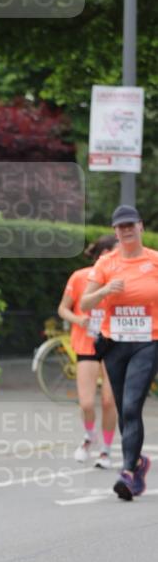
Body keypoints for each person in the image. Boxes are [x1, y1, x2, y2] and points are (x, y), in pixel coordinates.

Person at [81, 205, 158, 501]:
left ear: (140, 226)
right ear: (115, 231)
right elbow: (86, 304)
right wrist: (104, 292)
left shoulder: (153, 260)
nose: (126, 230)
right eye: (120, 226)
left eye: (130, 225)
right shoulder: (106, 263)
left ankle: (127, 472)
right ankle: (138, 463)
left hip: (148, 342)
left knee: (130, 405)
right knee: (127, 411)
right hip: (115, 344)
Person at [57, 235, 118, 468]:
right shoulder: (80, 277)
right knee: (86, 403)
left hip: (114, 344)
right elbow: (63, 308)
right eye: (113, 252)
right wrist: (78, 319)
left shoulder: (122, 280)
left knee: (109, 401)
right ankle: (89, 436)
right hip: (87, 343)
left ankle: (106, 450)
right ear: (102, 255)